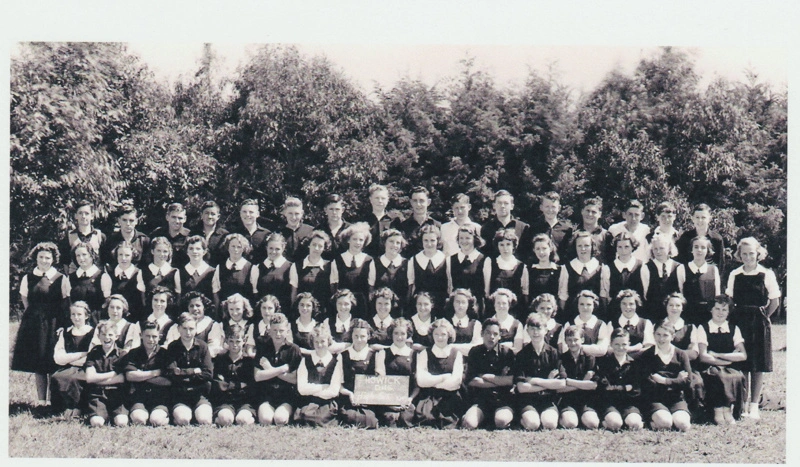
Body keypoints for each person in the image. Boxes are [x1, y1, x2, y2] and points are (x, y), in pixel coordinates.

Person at [726, 237, 780, 420]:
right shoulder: (735, 274)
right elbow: (730, 300)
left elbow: (774, 300)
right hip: (739, 321)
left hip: (758, 321)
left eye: (751, 253)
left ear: (758, 254)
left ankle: (754, 406)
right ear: (739, 255)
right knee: (742, 363)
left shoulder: (766, 274)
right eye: (744, 254)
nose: (748, 257)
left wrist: (764, 317)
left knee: (757, 364)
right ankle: (741, 404)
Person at [12, 242, 70, 407]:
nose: (44, 260)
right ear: (36, 258)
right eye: (41, 257)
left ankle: (53, 400)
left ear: (53, 259)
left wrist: (61, 323)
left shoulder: (61, 278)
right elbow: (25, 299)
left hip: (54, 323)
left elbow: (65, 301)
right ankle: (41, 401)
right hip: (35, 324)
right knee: (38, 362)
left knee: (52, 361)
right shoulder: (28, 277)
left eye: (48, 257)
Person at [696, 295, 747, 425]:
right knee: (718, 375)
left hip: (727, 365)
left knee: (736, 375)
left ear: (729, 312)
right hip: (710, 366)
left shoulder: (734, 329)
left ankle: (728, 410)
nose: (720, 312)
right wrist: (727, 360)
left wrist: (718, 355)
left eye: (724, 310)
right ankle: (718, 410)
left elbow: (742, 355)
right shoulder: (703, 328)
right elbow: (703, 355)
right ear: (711, 310)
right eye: (717, 308)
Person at [638, 319, 692, 431]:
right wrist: (677, 380)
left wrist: (664, 380)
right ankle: (651, 422)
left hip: (676, 398)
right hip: (655, 399)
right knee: (664, 423)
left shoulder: (681, 354)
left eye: (665, 335)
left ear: (672, 336)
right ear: (653, 335)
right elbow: (647, 383)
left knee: (683, 425)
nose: (661, 339)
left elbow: (688, 382)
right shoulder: (647, 355)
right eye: (658, 334)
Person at [461, 318, 515, 430]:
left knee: (501, 421)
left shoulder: (507, 353)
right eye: (488, 333)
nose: (491, 337)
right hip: (481, 399)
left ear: (500, 336)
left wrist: (485, 377)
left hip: (502, 400)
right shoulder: (475, 352)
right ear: (482, 334)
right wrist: (499, 380)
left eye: (495, 334)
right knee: (469, 423)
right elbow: (472, 380)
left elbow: (511, 380)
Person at [513, 314, 564, 430]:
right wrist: (549, 383)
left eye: (539, 328)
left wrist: (534, 381)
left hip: (548, 400)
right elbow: (521, 387)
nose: (535, 332)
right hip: (527, 400)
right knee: (533, 424)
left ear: (546, 330)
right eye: (532, 328)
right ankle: (522, 419)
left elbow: (561, 384)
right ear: (527, 331)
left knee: (549, 424)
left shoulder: (554, 353)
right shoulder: (522, 355)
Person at [165, 312, 214, 426]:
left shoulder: (203, 346)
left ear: (196, 329)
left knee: (205, 420)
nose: (188, 332)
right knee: (183, 420)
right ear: (178, 329)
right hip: (180, 395)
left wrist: (181, 373)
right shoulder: (172, 347)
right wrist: (194, 371)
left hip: (199, 394)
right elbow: (171, 373)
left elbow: (208, 373)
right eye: (184, 328)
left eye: (191, 328)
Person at [254, 312, 302, 426]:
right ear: (269, 330)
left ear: (287, 330)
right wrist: (281, 369)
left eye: (281, 330)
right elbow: (258, 376)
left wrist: (269, 369)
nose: (278, 334)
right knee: (266, 420)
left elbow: (294, 379)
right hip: (266, 393)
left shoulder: (294, 349)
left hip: (286, 395)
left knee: (280, 419)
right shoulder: (263, 346)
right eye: (274, 330)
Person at [414, 319, 464, 429]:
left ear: (449, 335)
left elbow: (455, 382)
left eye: (443, 334)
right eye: (436, 334)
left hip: (450, 395)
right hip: (429, 395)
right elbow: (421, 381)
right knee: (426, 418)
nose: (439, 337)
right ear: (432, 335)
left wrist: (431, 381)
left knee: (448, 420)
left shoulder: (456, 354)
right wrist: (443, 377)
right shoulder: (424, 353)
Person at [592, 327, 644, 431]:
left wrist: (615, 388)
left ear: (628, 344)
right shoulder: (603, 363)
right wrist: (625, 388)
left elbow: (637, 390)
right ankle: (605, 422)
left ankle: (629, 420)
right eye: (617, 344)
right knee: (615, 424)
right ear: (611, 344)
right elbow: (604, 389)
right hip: (609, 403)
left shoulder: (635, 364)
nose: (620, 347)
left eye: (624, 344)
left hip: (629, 404)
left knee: (635, 424)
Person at [122, 320, 171, 427]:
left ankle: (165, 418)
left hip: (159, 397)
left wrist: (141, 375)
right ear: (141, 335)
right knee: (139, 420)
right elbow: (130, 376)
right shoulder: (133, 353)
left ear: (159, 337)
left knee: (156, 421)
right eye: (147, 336)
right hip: (138, 396)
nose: (151, 339)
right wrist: (155, 373)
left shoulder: (165, 354)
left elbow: (168, 381)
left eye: (154, 336)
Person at [50, 301, 94, 420]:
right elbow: (58, 357)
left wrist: (70, 358)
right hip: (68, 366)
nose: (76, 317)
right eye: (73, 314)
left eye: (79, 314)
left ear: (86, 316)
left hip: (85, 367)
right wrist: (80, 354)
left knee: (74, 378)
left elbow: (91, 355)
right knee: (56, 377)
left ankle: (77, 408)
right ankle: (62, 408)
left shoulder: (93, 332)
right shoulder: (65, 333)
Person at [294, 324, 344, 427]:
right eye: (316, 342)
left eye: (322, 341)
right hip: (308, 401)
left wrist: (311, 389)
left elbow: (333, 391)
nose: (320, 345)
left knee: (319, 418)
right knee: (303, 414)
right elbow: (302, 389)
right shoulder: (305, 360)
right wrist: (322, 387)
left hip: (326, 402)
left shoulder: (335, 362)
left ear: (328, 341)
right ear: (312, 342)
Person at [557, 231, 610, 323]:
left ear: (592, 246)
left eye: (586, 245)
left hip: (595, 317)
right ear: (575, 247)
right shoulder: (567, 268)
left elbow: (604, 297)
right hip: (573, 316)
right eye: (579, 246)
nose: (583, 249)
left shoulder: (601, 268)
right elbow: (563, 296)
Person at [374, 318, 419, 427]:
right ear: (391, 334)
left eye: (403, 333)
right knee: (389, 419)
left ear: (407, 334)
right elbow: (380, 382)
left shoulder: (414, 355)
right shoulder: (383, 354)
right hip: (387, 401)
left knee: (405, 420)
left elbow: (417, 385)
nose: (399, 337)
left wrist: (409, 399)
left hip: (408, 401)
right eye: (396, 333)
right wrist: (390, 403)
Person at [84, 320, 128, 427]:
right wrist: (113, 374)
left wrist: (98, 379)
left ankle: (112, 415)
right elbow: (90, 378)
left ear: (116, 336)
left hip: (118, 395)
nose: (106, 337)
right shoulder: (93, 354)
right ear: (98, 336)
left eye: (110, 334)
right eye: (103, 334)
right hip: (98, 395)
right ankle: (102, 415)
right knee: (97, 423)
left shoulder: (122, 354)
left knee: (121, 422)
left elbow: (122, 378)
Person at [211, 324, 256, 426]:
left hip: (244, 401)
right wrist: (239, 385)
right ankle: (220, 419)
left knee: (242, 420)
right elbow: (219, 384)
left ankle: (246, 419)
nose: (234, 345)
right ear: (226, 341)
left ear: (244, 340)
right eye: (231, 341)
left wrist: (228, 385)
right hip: (225, 401)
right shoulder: (220, 359)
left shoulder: (249, 361)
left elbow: (251, 385)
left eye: (238, 341)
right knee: (225, 419)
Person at [338, 319, 380, 428]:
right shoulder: (343, 355)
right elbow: (339, 384)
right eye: (356, 336)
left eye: (362, 336)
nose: (359, 340)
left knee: (370, 420)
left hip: (368, 400)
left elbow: (378, 382)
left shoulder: (374, 355)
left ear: (369, 336)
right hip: (348, 399)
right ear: (351, 336)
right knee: (349, 416)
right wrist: (350, 394)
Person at [556, 325, 600, 429]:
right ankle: (566, 417)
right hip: (567, 399)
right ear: (565, 341)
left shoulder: (590, 358)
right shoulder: (561, 359)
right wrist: (583, 381)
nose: (573, 343)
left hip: (586, 399)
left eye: (576, 339)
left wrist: (570, 382)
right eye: (569, 340)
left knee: (592, 424)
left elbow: (593, 385)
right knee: (570, 424)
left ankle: (583, 416)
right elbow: (560, 388)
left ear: (582, 340)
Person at [330, 222, 373, 319]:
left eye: (361, 240)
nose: (358, 243)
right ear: (348, 240)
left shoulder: (369, 261)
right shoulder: (337, 260)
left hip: (362, 305)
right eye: (354, 239)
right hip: (343, 305)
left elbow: (371, 287)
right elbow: (333, 286)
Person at [484, 229, 529, 319]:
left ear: (513, 246)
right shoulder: (490, 262)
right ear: (497, 246)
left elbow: (525, 292)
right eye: (501, 245)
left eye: (508, 244)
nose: (505, 248)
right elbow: (487, 291)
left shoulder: (521, 266)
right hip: (495, 310)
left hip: (514, 311)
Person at [675, 236, 721, 325]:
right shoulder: (682, 268)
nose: (699, 250)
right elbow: (680, 293)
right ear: (691, 249)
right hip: (689, 315)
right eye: (696, 247)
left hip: (708, 316)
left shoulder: (713, 269)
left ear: (708, 250)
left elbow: (717, 295)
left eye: (703, 247)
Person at [446, 224, 487, 318]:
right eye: (461, 238)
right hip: (457, 307)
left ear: (474, 239)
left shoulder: (483, 260)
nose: (464, 241)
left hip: (476, 307)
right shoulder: (450, 260)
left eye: (468, 238)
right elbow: (449, 286)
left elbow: (486, 289)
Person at [480, 189, 532, 262]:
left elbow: (527, 254)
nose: (502, 206)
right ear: (494, 205)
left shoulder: (523, 228)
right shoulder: (486, 228)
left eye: (506, 203)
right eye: (499, 203)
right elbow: (485, 254)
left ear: (512, 206)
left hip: (517, 271)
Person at [165, 292, 223, 356]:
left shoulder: (212, 325)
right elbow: (169, 345)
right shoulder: (177, 326)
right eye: (191, 306)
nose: (195, 309)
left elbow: (214, 349)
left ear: (204, 307)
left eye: (198, 305)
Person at [67, 241, 111, 325]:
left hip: (96, 321)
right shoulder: (70, 278)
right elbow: (68, 303)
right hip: (76, 322)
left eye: (84, 254)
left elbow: (107, 302)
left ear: (92, 256)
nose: (81, 258)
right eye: (78, 255)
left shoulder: (102, 276)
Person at [557, 290, 611, 358]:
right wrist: (592, 349)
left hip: (594, 365)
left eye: (588, 304)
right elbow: (564, 348)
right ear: (577, 306)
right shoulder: (569, 324)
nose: (585, 307)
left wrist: (578, 347)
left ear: (594, 305)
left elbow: (602, 350)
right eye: (582, 304)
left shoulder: (600, 325)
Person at [408, 224, 448, 316]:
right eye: (426, 240)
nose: (429, 244)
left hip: (440, 304)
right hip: (421, 305)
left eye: (432, 240)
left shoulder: (445, 259)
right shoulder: (414, 259)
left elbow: (449, 284)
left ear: (438, 241)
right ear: (421, 241)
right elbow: (411, 284)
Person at [369, 229, 411, 316]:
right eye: (391, 241)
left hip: (401, 309)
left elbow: (410, 288)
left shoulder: (407, 263)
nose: (394, 245)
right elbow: (371, 288)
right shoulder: (375, 262)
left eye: (398, 243)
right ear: (384, 242)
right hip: (380, 309)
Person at [289, 230, 332, 314]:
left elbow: (332, 292)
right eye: (314, 244)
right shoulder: (297, 266)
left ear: (324, 248)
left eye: (320, 246)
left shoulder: (329, 266)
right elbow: (294, 292)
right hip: (303, 312)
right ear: (309, 245)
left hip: (322, 313)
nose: (316, 248)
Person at [251, 233, 294, 314]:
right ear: (266, 248)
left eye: (277, 249)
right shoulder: (258, 268)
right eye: (271, 248)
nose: (273, 252)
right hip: (264, 313)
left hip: (283, 313)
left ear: (283, 248)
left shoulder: (290, 267)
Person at [560, 196, 612, 264]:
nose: (590, 214)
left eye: (593, 212)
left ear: (600, 214)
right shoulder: (573, 235)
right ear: (582, 211)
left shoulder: (606, 236)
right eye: (587, 211)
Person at [676, 203, 726, 273]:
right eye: (697, 217)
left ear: (709, 219)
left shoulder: (717, 239)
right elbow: (680, 261)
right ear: (693, 218)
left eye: (703, 217)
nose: (700, 220)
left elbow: (720, 265)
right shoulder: (685, 237)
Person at [60, 200, 106, 274]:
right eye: (80, 213)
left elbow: (105, 261)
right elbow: (65, 262)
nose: (83, 216)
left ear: (92, 215)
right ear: (76, 216)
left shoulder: (99, 236)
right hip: (75, 278)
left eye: (86, 213)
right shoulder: (69, 236)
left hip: (96, 278)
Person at [640, 235, 680, 321]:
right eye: (655, 249)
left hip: (673, 313)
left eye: (661, 248)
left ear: (669, 249)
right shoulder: (646, 268)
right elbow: (644, 293)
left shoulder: (679, 267)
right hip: (652, 313)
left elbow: (682, 292)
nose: (658, 252)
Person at [107, 241, 146, 323]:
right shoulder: (110, 273)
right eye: (120, 255)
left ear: (132, 256)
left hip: (133, 318)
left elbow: (142, 301)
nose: (123, 258)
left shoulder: (138, 273)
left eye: (127, 255)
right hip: (113, 317)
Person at [607, 232, 645, 317]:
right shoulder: (608, 268)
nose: (623, 251)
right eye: (619, 247)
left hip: (637, 314)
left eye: (626, 247)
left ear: (633, 247)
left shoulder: (641, 266)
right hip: (615, 314)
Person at [212, 233, 254, 309]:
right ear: (228, 247)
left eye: (239, 247)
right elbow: (216, 293)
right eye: (233, 246)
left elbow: (254, 294)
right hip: (225, 312)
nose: (236, 250)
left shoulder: (250, 268)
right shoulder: (220, 267)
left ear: (244, 249)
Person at [102, 202, 150, 268]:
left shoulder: (144, 240)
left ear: (136, 221)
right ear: (119, 220)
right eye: (124, 220)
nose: (128, 224)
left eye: (131, 220)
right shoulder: (110, 241)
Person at [611, 290, 655, 358]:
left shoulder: (645, 323)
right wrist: (636, 348)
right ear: (619, 305)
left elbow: (648, 348)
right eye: (624, 304)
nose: (627, 307)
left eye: (631, 304)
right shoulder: (612, 324)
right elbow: (609, 349)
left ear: (636, 305)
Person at [178, 236, 216, 314]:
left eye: (198, 249)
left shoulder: (212, 272)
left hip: (207, 316)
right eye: (191, 248)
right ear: (187, 251)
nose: (194, 251)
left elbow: (215, 298)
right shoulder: (180, 272)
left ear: (204, 251)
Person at [530, 192, 573, 261]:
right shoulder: (533, 229)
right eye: (547, 206)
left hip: (561, 269)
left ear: (559, 208)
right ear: (541, 207)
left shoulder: (567, 230)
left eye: (553, 207)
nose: (550, 210)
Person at [362, 183, 402, 258]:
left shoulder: (394, 221)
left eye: (383, 198)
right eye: (377, 198)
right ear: (370, 199)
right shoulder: (363, 221)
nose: (380, 201)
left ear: (387, 200)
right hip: (367, 262)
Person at [397, 186, 441, 251]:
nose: (418, 204)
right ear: (411, 202)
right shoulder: (402, 227)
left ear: (428, 202)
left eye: (421, 201)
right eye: (415, 201)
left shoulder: (437, 226)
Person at [231, 199, 272, 265]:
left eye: (251, 212)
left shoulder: (266, 234)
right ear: (240, 213)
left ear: (257, 214)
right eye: (244, 212)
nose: (247, 215)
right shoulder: (234, 234)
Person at [149, 202, 191, 268]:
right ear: (167, 217)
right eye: (174, 217)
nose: (177, 221)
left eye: (180, 218)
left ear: (185, 219)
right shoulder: (157, 234)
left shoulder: (189, 236)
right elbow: (149, 257)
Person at [190, 200, 229, 267]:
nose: (209, 216)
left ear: (218, 217)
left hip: (217, 273)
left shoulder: (225, 235)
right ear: (201, 215)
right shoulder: (193, 233)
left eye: (213, 214)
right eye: (206, 213)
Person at [141, 237, 181, 301]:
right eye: (158, 250)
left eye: (165, 251)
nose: (162, 254)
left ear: (169, 253)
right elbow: (142, 297)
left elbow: (178, 296)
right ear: (152, 251)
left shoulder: (174, 272)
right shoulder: (143, 271)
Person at [528, 234, 562, 310]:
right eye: (538, 249)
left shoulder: (559, 270)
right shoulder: (529, 270)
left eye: (544, 248)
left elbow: (562, 295)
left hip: (553, 311)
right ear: (534, 250)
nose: (541, 252)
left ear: (550, 249)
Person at [487, 288, 524, 354]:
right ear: (494, 304)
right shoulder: (488, 323)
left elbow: (517, 350)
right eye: (498, 303)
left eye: (504, 303)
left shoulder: (517, 325)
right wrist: (508, 346)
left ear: (509, 305)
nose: (501, 306)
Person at [446, 289, 482, 356]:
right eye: (457, 302)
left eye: (463, 302)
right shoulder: (445, 322)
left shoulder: (476, 324)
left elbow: (476, 348)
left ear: (468, 304)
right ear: (452, 303)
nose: (460, 305)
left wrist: (452, 347)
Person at [279, 197, 315, 263]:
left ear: (302, 213)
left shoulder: (311, 231)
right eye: (290, 213)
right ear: (285, 213)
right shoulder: (278, 233)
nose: (293, 217)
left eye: (297, 213)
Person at [317, 194, 351, 260]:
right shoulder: (319, 230)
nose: (334, 212)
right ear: (325, 210)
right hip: (325, 268)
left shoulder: (351, 230)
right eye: (331, 209)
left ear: (343, 210)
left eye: (337, 209)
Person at [326, 289, 358, 354]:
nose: (343, 307)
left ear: (351, 304)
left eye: (346, 304)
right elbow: (327, 348)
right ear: (335, 304)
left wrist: (336, 346)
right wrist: (349, 345)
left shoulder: (358, 323)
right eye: (339, 303)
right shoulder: (327, 322)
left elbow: (359, 346)